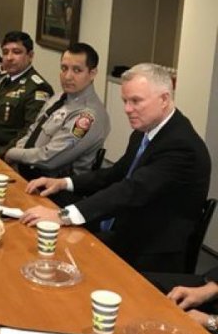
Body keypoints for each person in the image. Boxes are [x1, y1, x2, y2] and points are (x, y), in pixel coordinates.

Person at [21, 63, 211, 273]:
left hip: (150, 250)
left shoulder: (181, 145)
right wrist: (64, 183)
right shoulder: (144, 130)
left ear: (164, 99)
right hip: (123, 226)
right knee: (36, 235)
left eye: (136, 101)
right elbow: (115, 174)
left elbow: (132, 190)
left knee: (56, 256)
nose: (127, 109)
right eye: (125, 101)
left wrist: (62, 216)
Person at [5, 42, 108, 178]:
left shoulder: (87, 116)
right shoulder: (59, 98)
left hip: (53, 184)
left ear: (92, 73)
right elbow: (32, 131)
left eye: (77, 70)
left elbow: (50, 159)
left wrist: (12, 154)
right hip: (24, 170)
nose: (67, 76)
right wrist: (17, 152)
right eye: (64, 68)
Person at [0, 31, 53, 158]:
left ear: (30, 56)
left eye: (16, 52)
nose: (9, 57)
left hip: (5, 156)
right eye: (5, 52)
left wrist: (1, 155)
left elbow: (29, 132)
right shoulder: (3, 80)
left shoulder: (37, 88)